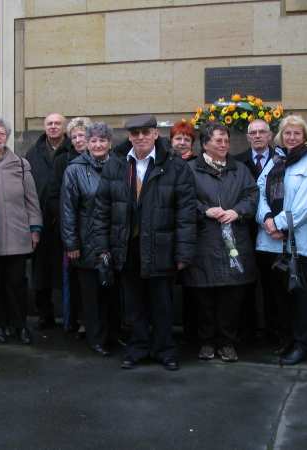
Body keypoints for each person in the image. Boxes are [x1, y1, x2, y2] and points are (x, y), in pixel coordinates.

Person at [92, 114, 196, 371]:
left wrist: (183, 251)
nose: (140, 137)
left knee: (162, 303)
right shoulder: (116, 164)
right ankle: (137, 348)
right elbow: (102, 209)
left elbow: (186, 212)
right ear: (129, 136)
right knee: (134, 303)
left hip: (162, 246)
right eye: (135, 133)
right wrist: (103, 247)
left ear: (155, 134)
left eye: (145, 132)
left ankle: (165, 350)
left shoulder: (174, 166)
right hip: (127, 246)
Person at [182, 123, 258, 363]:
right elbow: (184, 200)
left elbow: (252, 195)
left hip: (235, 241)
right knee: (204, 296)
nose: (224, 144)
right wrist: (206, 211)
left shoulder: (240, 169)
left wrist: (238, 211)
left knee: (231, 296)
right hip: (204, 241)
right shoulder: (190, 169)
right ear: (205, 144)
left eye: (226, 140)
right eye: (218, 140)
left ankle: (227, 342)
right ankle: (206, 342)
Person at [256, 115, 307, 365]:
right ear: (280, 137)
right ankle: (286, 340)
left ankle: (302, 344)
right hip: (272, 242)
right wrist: (266, 219)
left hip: (301, 245)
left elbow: (306, 206)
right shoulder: (275, 162)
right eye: (287, 133)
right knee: (280, 299)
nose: (292, 137)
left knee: (302, 299)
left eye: (297, 134)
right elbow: (259, 191)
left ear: (306, 137)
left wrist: (279, 224)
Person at [0, 118, 42, 345]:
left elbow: (31, 200)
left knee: (17, 285)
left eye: (2, 133)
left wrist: (35, 229)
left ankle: (20, 326)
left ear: (7, 137)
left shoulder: (20, 164)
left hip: (17, 235)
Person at [60, 122, 118, 356]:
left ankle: (112, 334)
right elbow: (68, 210)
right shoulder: (75, 169)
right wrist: (71, 243)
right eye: (93, 140)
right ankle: (96, 339)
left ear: (110, 143)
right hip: (86, 241)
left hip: (113, 241)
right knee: (91, 295)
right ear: (87, 143)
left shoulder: (119, 166)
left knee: (112, 293)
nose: (98, 144)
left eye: (102, 140)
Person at [25, 112, 73, 330]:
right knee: (40, 272)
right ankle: (45, 314)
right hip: (41, 221)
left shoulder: (73, 150)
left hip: (67, 221)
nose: (53, 127)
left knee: (68, 270)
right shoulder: (33, 153)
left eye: (58, 123)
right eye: (49, 123)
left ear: (64, 128)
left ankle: (72, 315)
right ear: (44, 127)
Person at [49, 117, 93, 334]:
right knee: (73, 280)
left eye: (81, 135)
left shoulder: (102, 158)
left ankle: (91, 321)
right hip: (71, 230)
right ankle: (74, 320)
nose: (77, 140)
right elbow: (55, 195)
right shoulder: (63, 160)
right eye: (74, 136)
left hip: (95, 230)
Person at [235, 119, 277, 345]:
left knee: (273, 287)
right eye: (253, 133)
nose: (258, 136)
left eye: (262, 132)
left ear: (270, 136)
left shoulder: (280, 159)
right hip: (244, 232)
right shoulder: (237, 162)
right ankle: (247, 333)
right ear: (248, 137)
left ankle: (274, 332)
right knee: (245, 285)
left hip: (273, 231)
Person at [170, 120, 198, 343]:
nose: (181, 143)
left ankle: (192, 331)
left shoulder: (197, 164)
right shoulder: (164, 163)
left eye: (186, 139)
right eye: (177, 138)